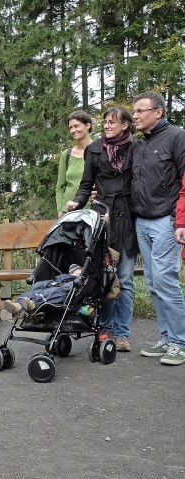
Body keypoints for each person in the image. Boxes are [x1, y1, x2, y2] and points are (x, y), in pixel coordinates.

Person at [66, 106, 137, 352]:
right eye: (105, 121)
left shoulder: (136, 148)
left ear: (125, 125)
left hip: (128, 220)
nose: (107, 125)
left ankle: (122, 334)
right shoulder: (94, 150)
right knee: (105, 278)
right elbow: (86, 185)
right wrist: (77, 202)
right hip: (103, 219)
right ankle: (104, 329)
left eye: (112, 122)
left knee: (125, 280)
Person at [131, 91, 185, 365]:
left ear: (158, 112)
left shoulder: (177, 136)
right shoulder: (139, 145)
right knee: (153, 283)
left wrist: (182, 221)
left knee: (166, 280)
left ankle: (180, 342)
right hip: (141, 221)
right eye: (134, 111)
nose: (135, 116)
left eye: (141, 111)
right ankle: (166, 338)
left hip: (166, 220)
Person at [3, 264, 83, 318]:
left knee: (46, 293)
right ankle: (18, 306)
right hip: (54, 286)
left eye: (79, 271)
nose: (77, 272)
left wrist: (75, 282)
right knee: (33, 292)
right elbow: (48, 282)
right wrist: (36, 285)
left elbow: (69, 287)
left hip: (65, 292)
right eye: (75, 271)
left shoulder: (82, 280)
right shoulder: (60, 277)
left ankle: (24, 307)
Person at [55, 110, 93, 218]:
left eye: (76, 126)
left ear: (88, 125)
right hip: (68, 213)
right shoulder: (66, 154)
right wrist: (60, 211)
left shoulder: (99, 151)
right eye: (70, 127)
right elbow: (60, 187)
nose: (73, 130)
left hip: (92, 213)